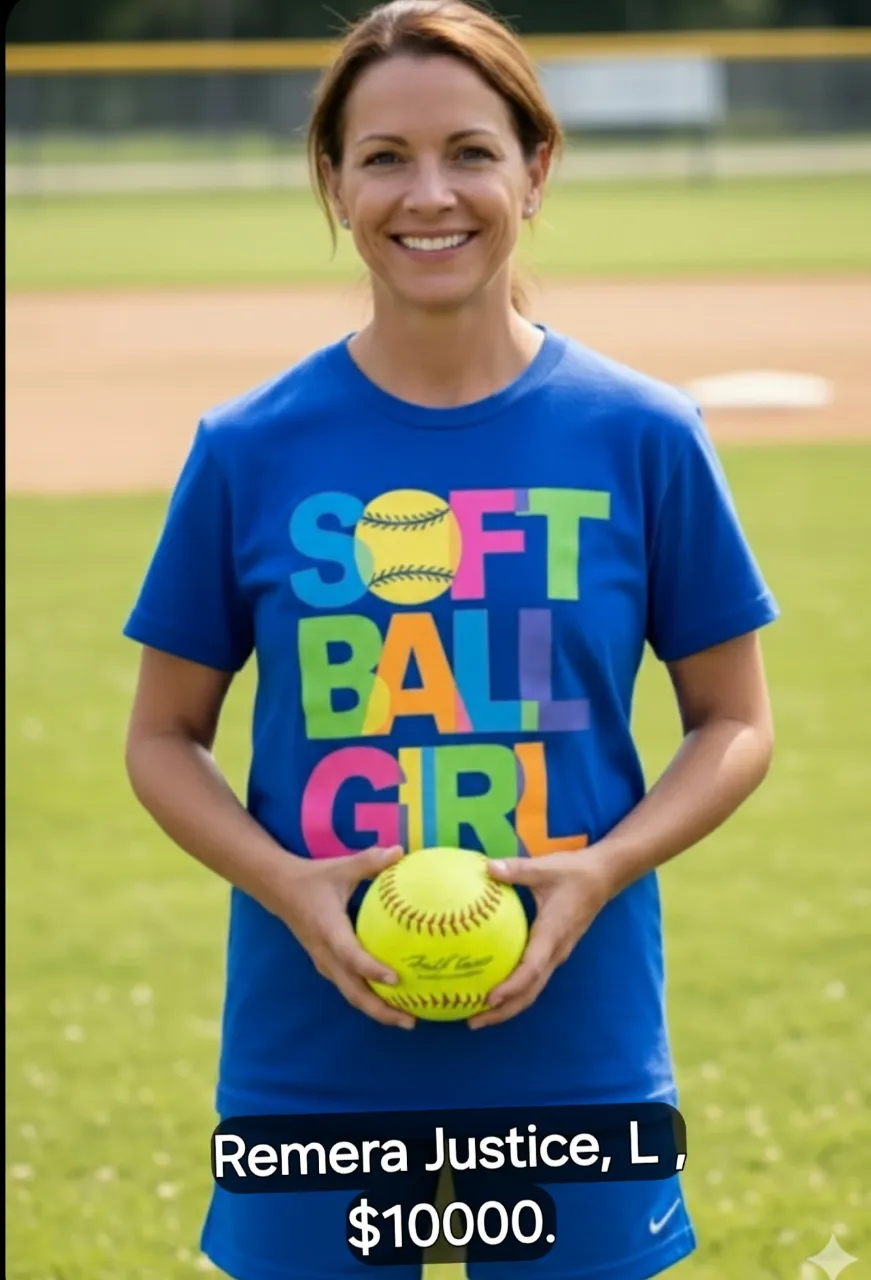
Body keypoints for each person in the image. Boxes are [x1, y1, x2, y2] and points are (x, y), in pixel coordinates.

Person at [123, 2, 779, 1277]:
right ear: (332, 181)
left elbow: (735, 720)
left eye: (472, 151)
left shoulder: (640, 434)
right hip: (312, 1042)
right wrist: (287, 882)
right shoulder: (249, 448)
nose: (430, 193)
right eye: (383, 157)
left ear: (536, 170)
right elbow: (161, 737)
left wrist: (601, 867)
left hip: (573, 1034)